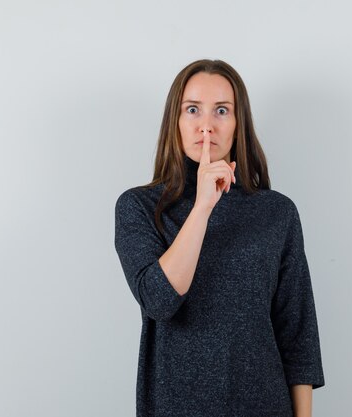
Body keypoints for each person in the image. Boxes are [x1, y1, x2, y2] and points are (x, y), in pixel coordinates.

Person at [114, 59, 325, 417]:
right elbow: (159, 300)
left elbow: (297, 336)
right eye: (193, 110)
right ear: (175, 122)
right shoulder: (139, 206)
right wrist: (202, 208)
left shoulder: (277, 213)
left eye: (222, 111)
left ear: (238, 124)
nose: (206, 126)